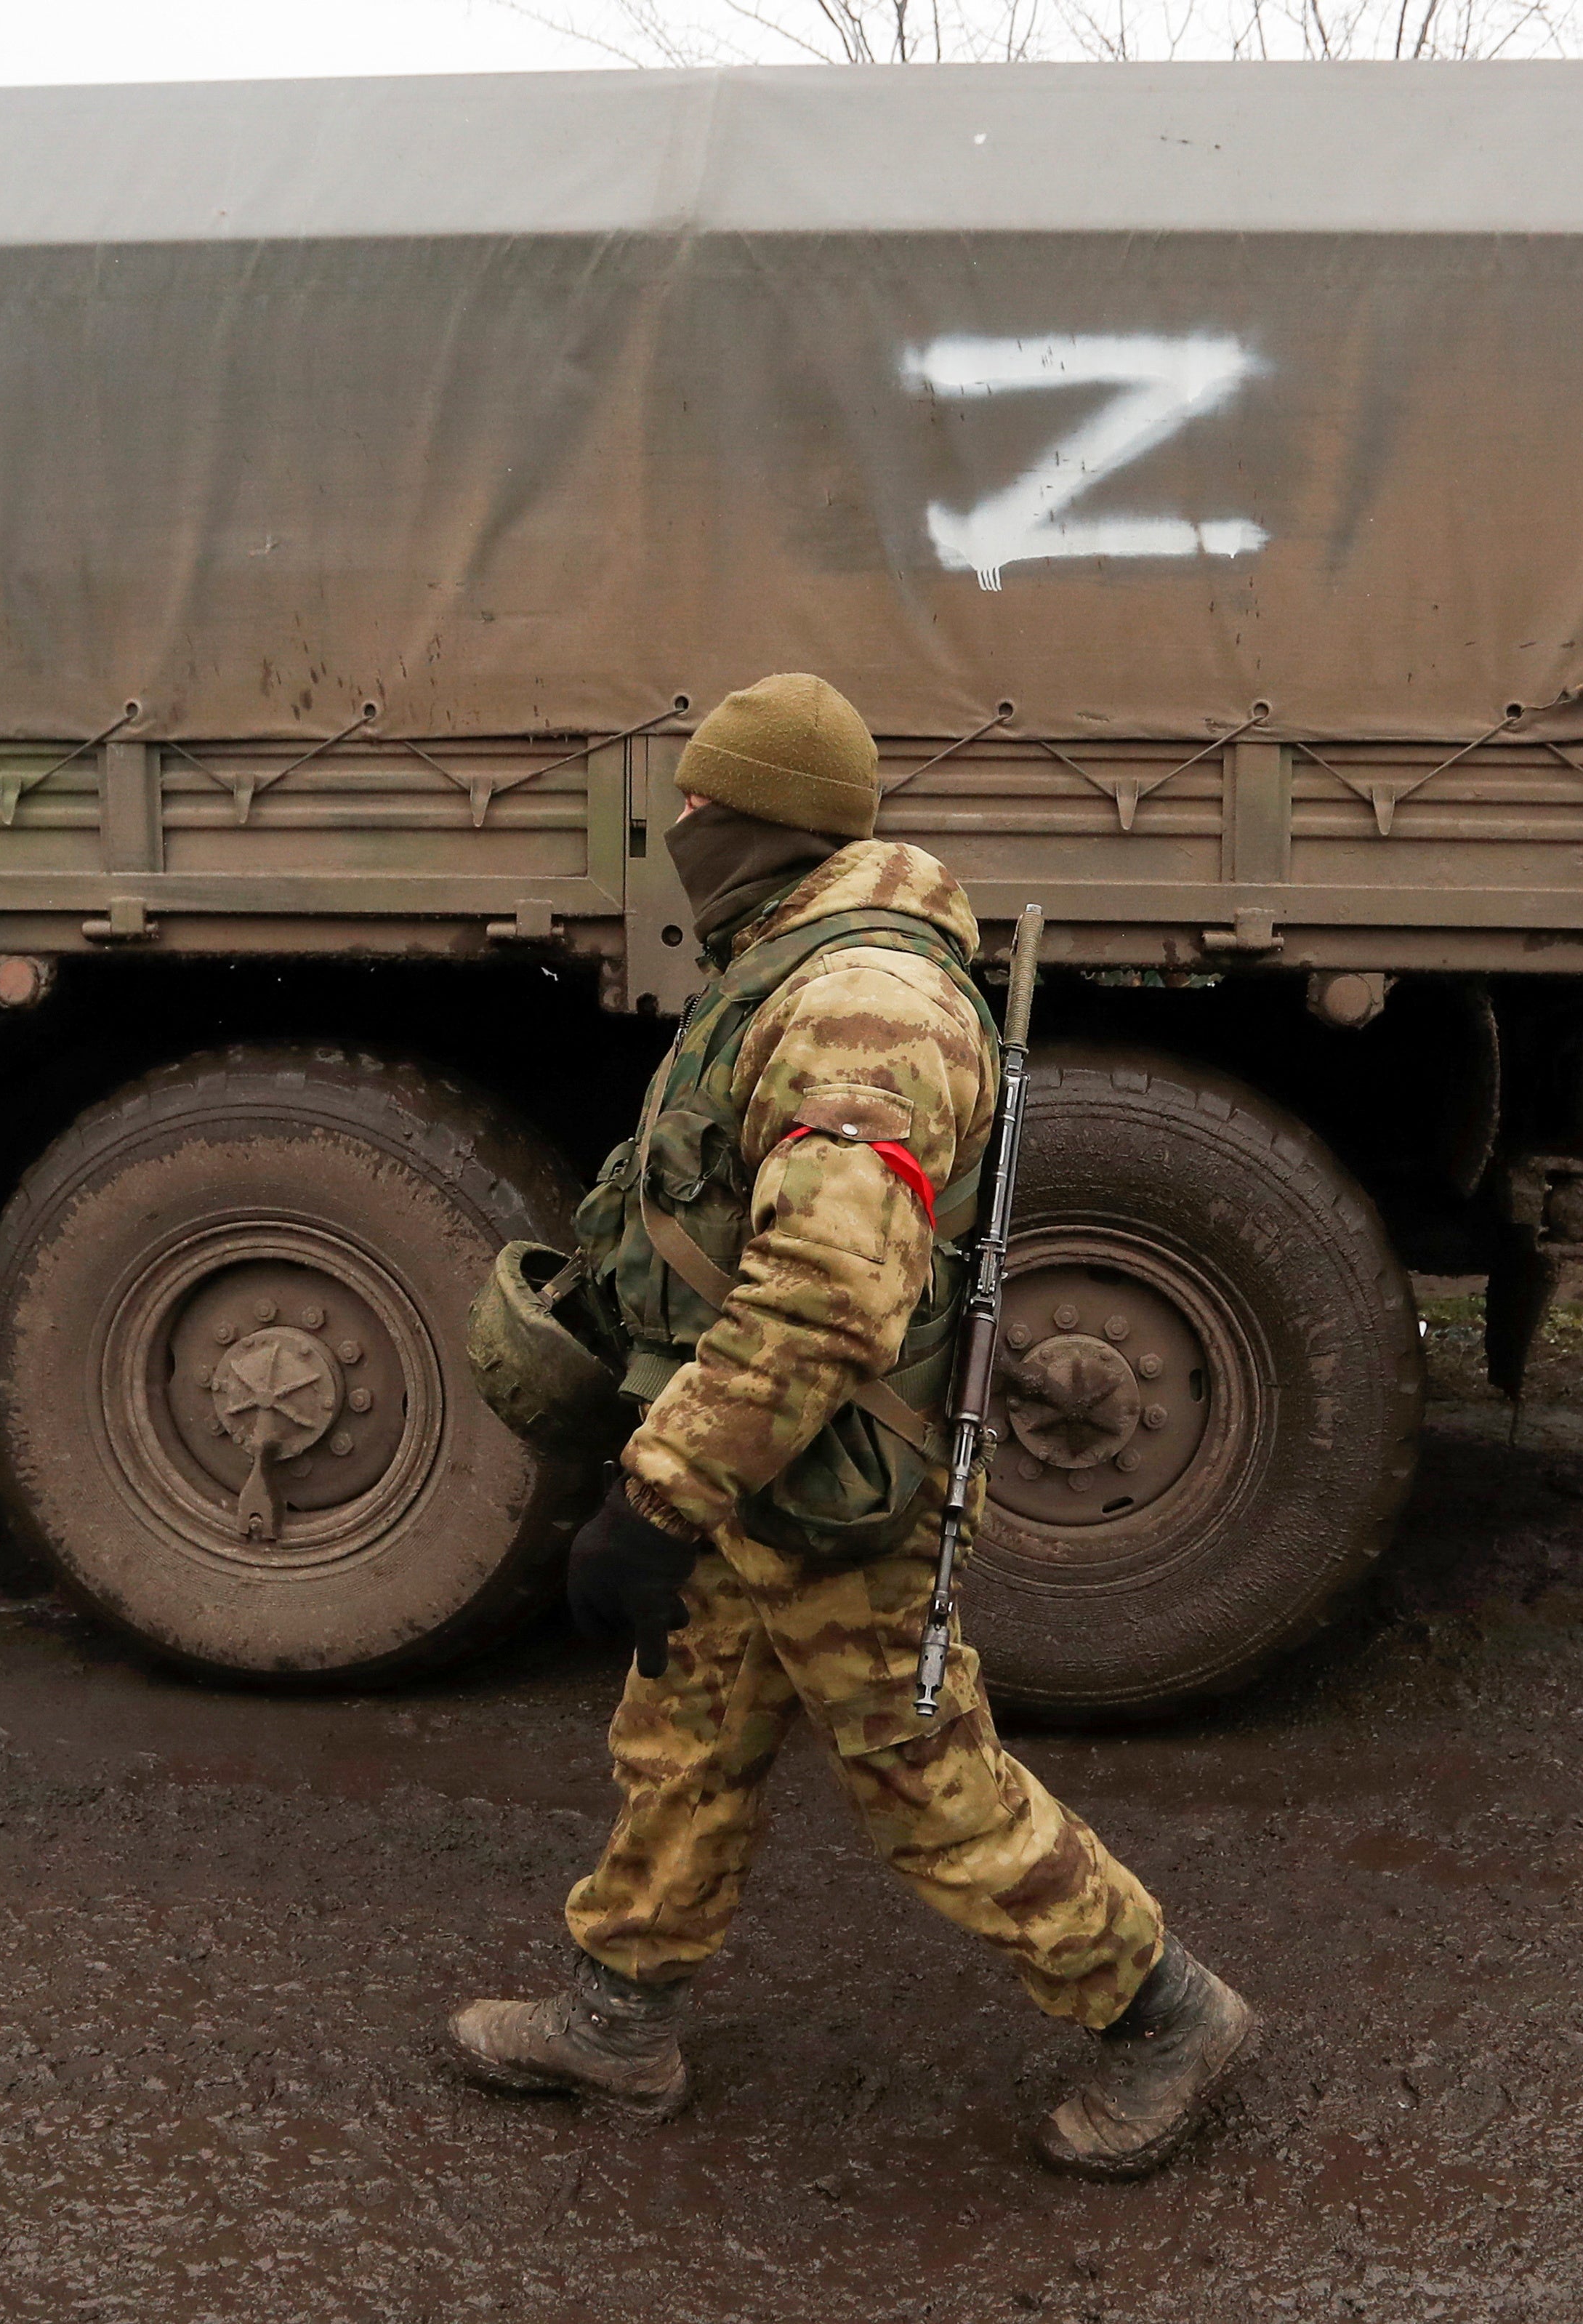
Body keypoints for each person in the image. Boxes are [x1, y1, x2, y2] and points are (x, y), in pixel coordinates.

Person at [448, 673, 1256, 2178]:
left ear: (754, 819)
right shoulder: (790, 959)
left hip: (811, 1473)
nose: (674, 824)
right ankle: (616, 2020)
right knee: (681, 1735)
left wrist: (659, 1495)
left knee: (924, 1777)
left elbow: (828, 1299)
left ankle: (1164, 2017)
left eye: (696, 803)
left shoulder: (857, 1011)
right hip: (755, 1468)